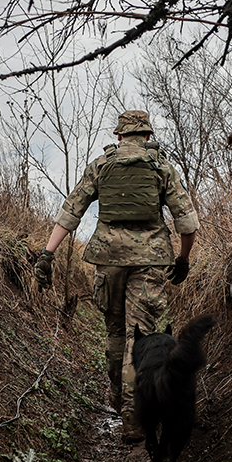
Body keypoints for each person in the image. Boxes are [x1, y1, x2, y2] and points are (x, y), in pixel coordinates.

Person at [33, 110, 200, 443]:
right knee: (141, 338)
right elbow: (187, 222)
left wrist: (47, 254)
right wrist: (182, 260)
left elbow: (71, 212)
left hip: (107, 259)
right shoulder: (162, 168)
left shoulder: (101, 165)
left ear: (120, 136)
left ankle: (116, 396)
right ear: (148, 136)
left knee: (114, 332)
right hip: (150, 260)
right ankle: (134, 417)